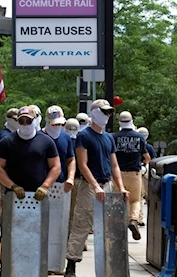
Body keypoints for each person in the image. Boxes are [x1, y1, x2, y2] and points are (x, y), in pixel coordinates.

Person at [0, 106, 61, 276]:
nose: (24, 124)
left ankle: (35, 269)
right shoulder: (8, 142)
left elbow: (56, 167)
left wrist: (45, 186)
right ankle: (6, 268)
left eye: (28, 120)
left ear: (34, 120)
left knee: (37, 235)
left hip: (38, 197)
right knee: (9, 234)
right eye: (21, 121)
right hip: (13, 196)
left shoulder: (46, 141)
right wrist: (12, 185)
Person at [64, 100, 130, 277]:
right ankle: (71, 263)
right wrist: (95, 186)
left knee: (109, 227)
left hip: (107, 184)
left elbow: (114, 165)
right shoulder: (84, 136)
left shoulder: (109, 137)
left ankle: (108, 265)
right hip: (89, 186)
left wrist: (121, 187)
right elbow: (83, 164)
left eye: (109, 112)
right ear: (94, 113)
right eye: (104, 112)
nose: (107, 116)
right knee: (81, 224)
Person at [112, 111, 150, 241]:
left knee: (118, 201)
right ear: (131, 121)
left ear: (120, 122)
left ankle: (118, 228)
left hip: (118, 174)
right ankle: (133, 220)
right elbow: (147, 157)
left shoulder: (114, 137)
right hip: (134, 173)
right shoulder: (139, 137)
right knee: (135, 200)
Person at [42, 106, 76, 194]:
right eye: (54, 124)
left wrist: (70, 177)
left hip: (61, 184)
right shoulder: (38, 137)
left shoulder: (66, 137)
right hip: (41, 184)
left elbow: (71, 159)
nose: (57, 127)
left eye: (59, 124)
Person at [137, 127, 156, 227]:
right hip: (146, 173)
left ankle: (139, 218)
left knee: (139, 196)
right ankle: (151, 216)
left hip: (136, 172)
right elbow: (153, 160)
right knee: (149, 196)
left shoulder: (136, 145)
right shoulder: (149, 147)